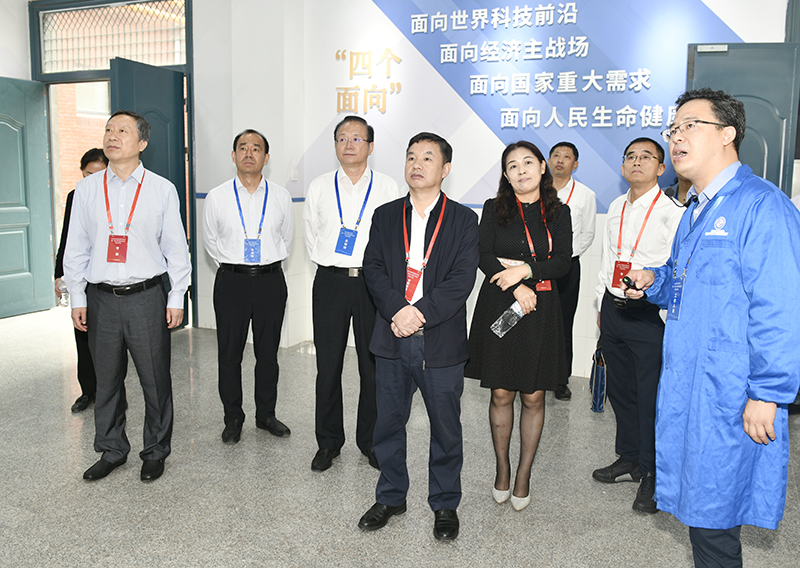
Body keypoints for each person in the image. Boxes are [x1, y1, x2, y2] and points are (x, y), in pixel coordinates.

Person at [624, 88, 800, 566]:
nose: (676, 138)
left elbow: (781, 308)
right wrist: (655, 282)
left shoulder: (762, 206)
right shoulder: (697, 209)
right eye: (673, 129)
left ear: (727, 134)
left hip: (731, 392)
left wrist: (767, 393)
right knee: (703, 516)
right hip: (690, 386)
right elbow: (687, 284)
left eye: (690, 126)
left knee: (715, 524)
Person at [358, 132, 479, 541]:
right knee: (388, 422)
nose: (417, 164)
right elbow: (373, 268)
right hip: (391, 335)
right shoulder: (386, 215)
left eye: (428, 157)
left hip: (440, 339)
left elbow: (461, 280)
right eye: (411, 156)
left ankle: (445, 503)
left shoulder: (463, 220)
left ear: (445, 169)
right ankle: (391, 496)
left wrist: (419, 314)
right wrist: (398, 310)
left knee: (445, 427)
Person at [64, 110, 191, 482]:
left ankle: (155, 450)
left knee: (155, 379)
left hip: (146, 297)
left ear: (142, 142)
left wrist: (176, 297)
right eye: (108, 129)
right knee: (106, 381)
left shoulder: (161, 189)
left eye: (122, 130)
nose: (112, 136)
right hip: (101, 298)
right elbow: (76, 248)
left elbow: (176, 249)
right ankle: (112, 449)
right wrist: (77, 297)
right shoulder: (87, 190)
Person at [466, 141, 572, 511]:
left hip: (540, 307)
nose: (521, 170)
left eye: (528, 162)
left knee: (533, 395)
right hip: (501, 302)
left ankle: (524, 473)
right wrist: (515, 285)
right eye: (512, 165)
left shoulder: (558, 212)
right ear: (506, 174)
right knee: (500, 393)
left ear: (542, 167)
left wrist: (525, 272)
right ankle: (502, 468)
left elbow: (562, 262)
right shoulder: (493, 208)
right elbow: (482, 254)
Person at [303, 116, 401, 471]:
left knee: (372, 366)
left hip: (374, 284)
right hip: (330, 281)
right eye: (342, 138)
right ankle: (328, 442)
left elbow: (395, 238)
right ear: (335, 145)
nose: (348, 144)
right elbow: (311, 235)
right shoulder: (319, 186)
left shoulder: (388, 187)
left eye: (357, 138)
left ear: (370, 147)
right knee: (327, 365)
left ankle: (371, 441)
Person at [592, 137, 683, 513]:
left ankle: (652, 473)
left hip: (648, 314)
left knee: (650, 398)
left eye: (647, 157)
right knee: (621, 391)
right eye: (630, 156)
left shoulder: (673, 212)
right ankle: (629, 458)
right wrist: (600, 303)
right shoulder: (616, 206)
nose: (637, 162)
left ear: (661, 169)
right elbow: (608, 258)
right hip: (613, 310)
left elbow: (676, 270)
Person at [203, 129, 294, 444]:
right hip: (232, 282)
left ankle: (266, 415)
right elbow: (211, 241)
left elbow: (286, 239)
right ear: (233, 155)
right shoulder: (217, 196)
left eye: (256, 148)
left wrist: (265, 263)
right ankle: (233, 417)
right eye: (242, 147)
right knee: (229, 354)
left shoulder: (280, 196)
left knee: (268, 354)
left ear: (266, 158)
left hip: (270, 281)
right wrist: (234, 266)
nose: (249, 153)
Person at [54, 148, 108, 413]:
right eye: (87, 174)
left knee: (109, 343)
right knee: (83, 336)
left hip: (106, 277)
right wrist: (59, 274)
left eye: (98, 174)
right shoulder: (76, 196)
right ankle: (88, 391)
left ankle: (112, 394)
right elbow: (68, 238)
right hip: (82, 276)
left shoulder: (115, 196)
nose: (92, 180)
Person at [547, 142, 596, 400]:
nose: (560, 160)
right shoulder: (536, 190)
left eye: (566, 157)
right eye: (556, 155)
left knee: (563, 323)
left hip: (567, 268)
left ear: (575, 164)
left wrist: (564, 256)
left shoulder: (585, 195)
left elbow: (588, 233)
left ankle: (560, 379)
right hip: (535, 267)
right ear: (548, 160)